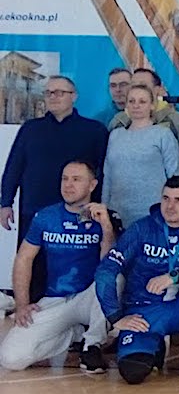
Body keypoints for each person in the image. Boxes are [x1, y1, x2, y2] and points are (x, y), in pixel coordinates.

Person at [94, 176, 179, 384]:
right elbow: (106, 270)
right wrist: (115, 317)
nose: (170, 206)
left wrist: (176, 276)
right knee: (133, 372)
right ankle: (154, 345)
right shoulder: (141, 229)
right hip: (144, 312)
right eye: (166, 198)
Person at [0, 162, 120, 373]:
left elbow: (110, 264)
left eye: (76, 179)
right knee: (11, 359)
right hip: (55, 298)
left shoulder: (106, 217)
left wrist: (107, 229)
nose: (68, 185)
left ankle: (91, 344)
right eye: (65, 179)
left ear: (92, 185)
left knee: (114, 278)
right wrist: (22, 304)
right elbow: (24, 258)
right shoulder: (46, 216)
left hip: (91, 297)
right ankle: (73, 334)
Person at [1, 75, 108, 303]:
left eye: (60, 92)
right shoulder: (30, 129)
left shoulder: (94, 130)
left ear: (74, 96)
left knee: (78, 265)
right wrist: (5, 202)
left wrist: (96, 206)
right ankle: (29, 310)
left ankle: (78, 313)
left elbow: (102, 172)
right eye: (49, 92)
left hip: (78, 212)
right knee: (33, 263)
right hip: (34, 207)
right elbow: (14, 166)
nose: (53, 97)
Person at [102, 84, 179, 224]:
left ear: (152, 105)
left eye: (142, 101)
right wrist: (104, 207)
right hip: (117, 213)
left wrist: (172, 208)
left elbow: (174, 175)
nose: (136, 106)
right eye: (131, 101)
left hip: (153, 213)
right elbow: (107, 175)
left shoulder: (163, 134)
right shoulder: (115, 135)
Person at [108, 68, 179, 180]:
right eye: (133, 86)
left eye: (143, 85)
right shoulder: (118, 122)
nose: (138, 90)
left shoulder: (178, 122)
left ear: (158, 89)